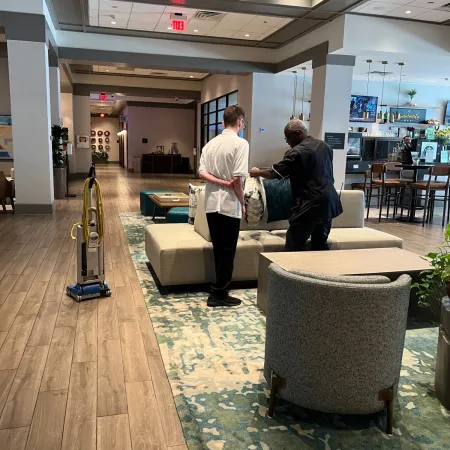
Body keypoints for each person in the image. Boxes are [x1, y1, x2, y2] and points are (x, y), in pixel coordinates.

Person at [250, 119, 342, 252]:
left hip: (309, 205)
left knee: (294, 245)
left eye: (288, 137)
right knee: (320, 244)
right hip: (329, 203)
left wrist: (256, 172)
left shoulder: (296, 152)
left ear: (297, 134)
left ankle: (293, 272)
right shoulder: (325, 146)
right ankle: (320, 272)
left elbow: (273, 174)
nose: (287, 142)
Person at [198, 105, 249, 307]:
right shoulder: (241, 144)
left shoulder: (210, 144)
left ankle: (218, 290)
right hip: (228, 204)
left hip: (211, 203)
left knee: (220, 249)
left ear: (222, 123)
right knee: (228, 250)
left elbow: (202, 173)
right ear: (239, 122)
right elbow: (238, 179)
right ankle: (218, 293)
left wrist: (221, 183)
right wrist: (242, 202)